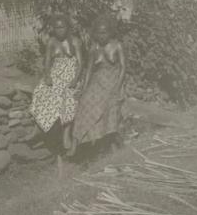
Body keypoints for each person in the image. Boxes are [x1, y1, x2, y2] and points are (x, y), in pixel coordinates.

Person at [22, 14, 83, 152]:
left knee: (67, 95)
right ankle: (38, 128)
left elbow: (80, 64)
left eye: (62, 27)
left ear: (67, 28)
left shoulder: (75, 41)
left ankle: (66, 134)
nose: (59, 30)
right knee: (41, 91)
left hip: (71, 73)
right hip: (56, 73)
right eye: (57, 28)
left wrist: (75, 80)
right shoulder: (51, 42)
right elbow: (48, 62)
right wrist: (47, 76)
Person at [68, 15, 126, 156]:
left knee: (109, 104)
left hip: (113, 82)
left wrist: (118, 86)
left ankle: (112, 141)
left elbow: (123, 67)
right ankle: (76, 142)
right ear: (95, 33)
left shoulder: (117, 46)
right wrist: (84, 88)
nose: (102, 36)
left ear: (110, 32)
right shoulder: (94, 48)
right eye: (99, 33)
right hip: (97, 82)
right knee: (84, 103)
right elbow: (88, 70)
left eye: (104, 32)